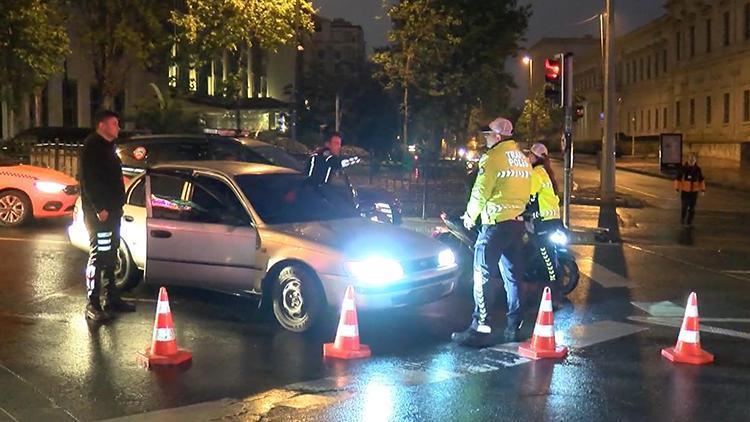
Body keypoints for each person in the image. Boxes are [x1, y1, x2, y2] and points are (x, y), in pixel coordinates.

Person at [451, 117, 532, 348]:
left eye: (488, 135)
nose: (486, 139)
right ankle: (513, 327)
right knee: (513, 278)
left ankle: (480, 328)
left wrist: (469, 217)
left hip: (495, 226)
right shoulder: (523, 160)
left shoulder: (494, 158)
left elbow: (480, 191)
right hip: (517, 225)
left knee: (482, 274)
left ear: (498, 136)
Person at [78, 110, 135, 322]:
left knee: (111, 255)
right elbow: (89, 180)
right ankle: (92, 304)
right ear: (102, 125)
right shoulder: (92, 147)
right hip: (100, 214)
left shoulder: (108, 147)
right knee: (99, 256)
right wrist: (99, 207)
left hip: (113, 211)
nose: (118, 127)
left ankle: (112, 297)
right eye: (114, 123)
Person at [526, 143, 563, 295]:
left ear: (535, 157)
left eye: (530, 155)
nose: (528, 157)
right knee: (548, 255)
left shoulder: (537, 173)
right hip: (553, 220)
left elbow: (527, 194)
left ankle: (552, 291)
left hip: (544, 222)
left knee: (546, 258)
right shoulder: (547, 172)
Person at [674, 153, 705, 228]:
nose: (691, 161)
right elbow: (678, 178)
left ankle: (689, 222)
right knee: (684, 206)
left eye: (693, 159)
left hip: (694, 192)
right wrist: (677, 188)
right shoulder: (683, 168)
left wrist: (702, 190)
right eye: (690, 159)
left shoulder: (698, 169)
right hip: (685, 191)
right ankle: (683, 218)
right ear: (688, 160)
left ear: (695, 160)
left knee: (692, 208)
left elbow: (701, 180)